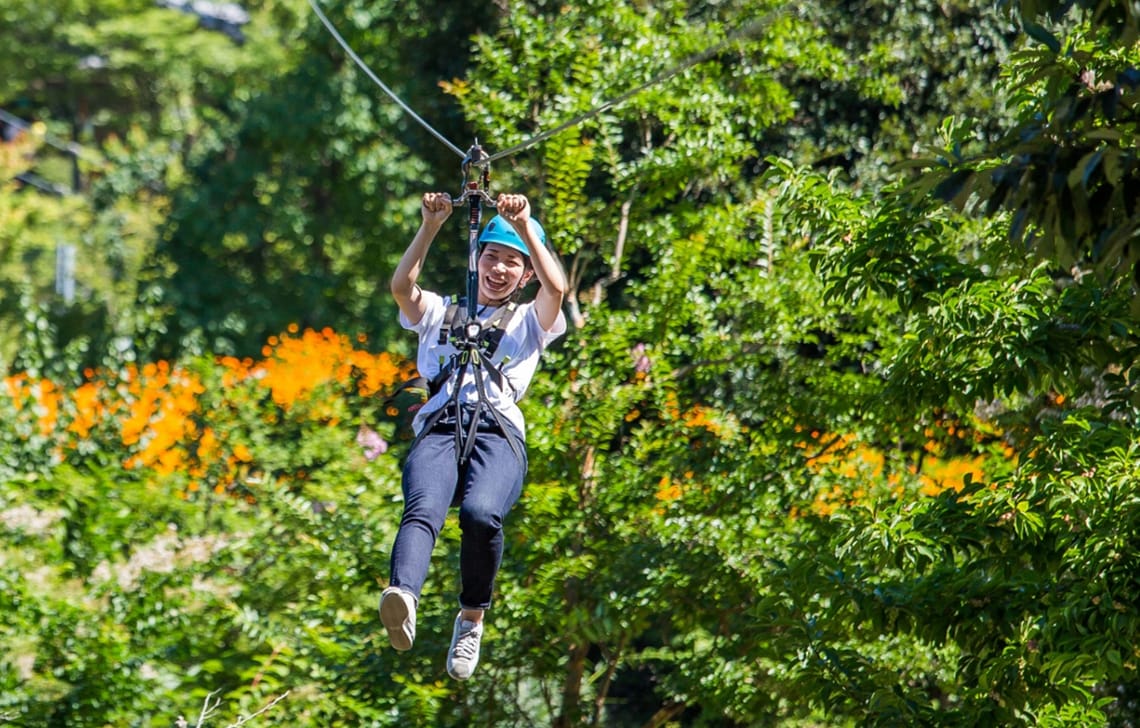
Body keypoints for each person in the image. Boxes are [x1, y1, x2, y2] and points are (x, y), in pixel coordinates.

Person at [379, 191, 568, 680]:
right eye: (491, 257)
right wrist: (430, 225)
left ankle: (471, 619)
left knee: (482, 514)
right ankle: (403, 597)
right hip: (441, 426)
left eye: (512, 263)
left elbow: (558, 288)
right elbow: (402, 286)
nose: (499, 269)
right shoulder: (440, 311)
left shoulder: (530, 320)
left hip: (497, 432)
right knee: (423, 509)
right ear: (476, 260)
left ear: (525, 275)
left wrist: (524, 226)